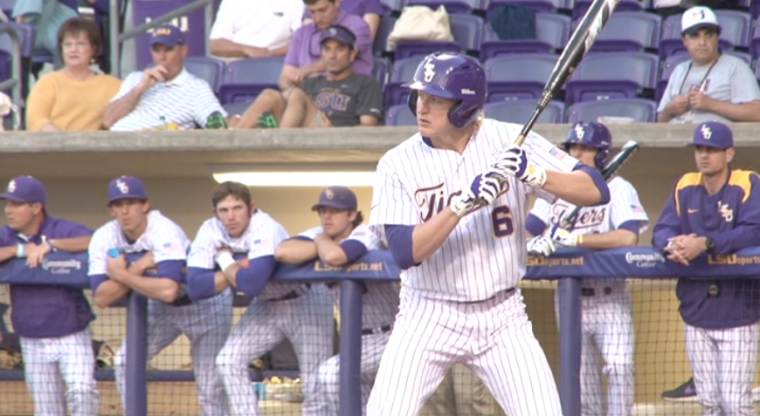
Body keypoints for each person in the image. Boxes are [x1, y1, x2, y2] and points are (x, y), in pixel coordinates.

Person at [365, 51, 610, 416]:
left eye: (436, 99)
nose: (422, 106)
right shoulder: (397, 162)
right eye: (420, 96)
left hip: (502, 315)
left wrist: (535, 174)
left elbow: (595, 190)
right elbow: (404, 251)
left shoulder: (509, 139)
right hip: (428, 313)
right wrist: (460, 206)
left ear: (464, 106)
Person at [525, 122, 650, 416]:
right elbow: (527, 234)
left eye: (586, 148)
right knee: (581, 381)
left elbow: (628, 236)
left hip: (609, 296)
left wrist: (580, 239)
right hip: (570, 300)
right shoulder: (555, 188)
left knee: (620, 367)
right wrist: (536, 242)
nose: (577, 153)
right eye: (573, 147)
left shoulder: (618, 188)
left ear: (602, 155)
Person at [185, 181, 334, 416]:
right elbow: (195, 288)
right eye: (224, 210)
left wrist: (224, 260)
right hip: (266, 305)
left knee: (314, 387)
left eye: (237, 208)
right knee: (227, 360)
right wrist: (239, 269)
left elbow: (252, 284)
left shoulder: (265, 226)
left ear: (252, 208)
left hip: (305, 300)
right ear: (216, 213)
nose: (231, 216)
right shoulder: (210, 228)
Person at [87, 176, 231, 416]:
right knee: (124, 362)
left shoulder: (164, 229)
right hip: (164, 310)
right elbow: (102, 298)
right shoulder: (104, 237)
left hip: (206, 305)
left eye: (131, 203)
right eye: (118, 204)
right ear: (110, 209)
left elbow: (168, 290)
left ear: (145, 205)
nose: (125, 211)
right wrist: (136, 268)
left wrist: (121, 274)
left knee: (209, 387)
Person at [652, 121, 760, 415]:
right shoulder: (685, 185)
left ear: (729, 153)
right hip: (696, 309)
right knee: (710, 403)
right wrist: (672, 244)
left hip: (739, 310)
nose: (704, 155)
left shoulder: (747, 182)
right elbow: (661, 229)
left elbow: (754, 230)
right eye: (700, 148)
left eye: (711, 149)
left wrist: (707, 243)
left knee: (735, 402)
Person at [274, 186, 399, 415]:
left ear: (352, 215)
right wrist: (321, 242)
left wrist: (320, 241)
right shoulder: (321, 234)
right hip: (356, 341)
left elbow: (334, 256)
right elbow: (282, 251)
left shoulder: (365, 233)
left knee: (331, 374)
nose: (327, 217)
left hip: (391, 338)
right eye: (323, 211)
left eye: (335, 211)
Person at [0, 175, 99, 416]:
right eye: (7, 204)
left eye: (16, 204)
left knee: (82, 391)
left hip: (71, 335)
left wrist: (53, 245)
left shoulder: (60, 228)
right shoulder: (6, 236)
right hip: (31, 339)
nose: (8, 210)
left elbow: (95, 240)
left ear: (36, 207)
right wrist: (20, 250)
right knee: (47, 411)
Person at [236, 25, 383, 129]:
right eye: (327, 49)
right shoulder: (311, 83)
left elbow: (368, 126)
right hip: (302, 130)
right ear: (321, 54)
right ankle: (235, 139)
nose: (332, 55)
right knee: (270, 95)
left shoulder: (365, 83)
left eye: (340, 49)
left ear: (352, 54)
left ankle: (280, 143)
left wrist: (335, 132)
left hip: (334, 134)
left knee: (297, 94)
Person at [102, 24, 230, 131]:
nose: (161, 57)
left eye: (168, 50)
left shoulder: (196, 88)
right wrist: (140, 89)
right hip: (114, 150)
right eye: (157, 51)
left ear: (183, 51)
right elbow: (108, 121)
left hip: (156, 154)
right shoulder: (135, 79)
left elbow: (219, 126)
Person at [657, 6, 760, 124]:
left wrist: (711, 104)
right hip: (675, 139)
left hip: (713, 139)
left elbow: (757, 113)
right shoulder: (679, 70)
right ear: (685, 41)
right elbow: (661, 120)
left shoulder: (735, 67)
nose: (702, 42)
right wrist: (669, 110)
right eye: (695, 36)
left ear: (717, 38)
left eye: (709, 35)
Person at [26, 18, 121, 132]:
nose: (73, 50)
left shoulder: (111, 85)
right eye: (68, 44)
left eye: (80, 44)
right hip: (54, 145)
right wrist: (64, 142)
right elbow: (37, 120)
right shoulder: (49, 82)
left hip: (95, 147)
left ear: (93, 49)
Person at [279, 0, 373, 90]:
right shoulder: (301, 33)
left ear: (336, 2)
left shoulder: (357, 26)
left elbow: (339, 60)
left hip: (345, 93)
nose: (318, 18)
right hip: (303, 94)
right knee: (270, 96)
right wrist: (294, 91)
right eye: (312, 12)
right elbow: (285, 77)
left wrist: (308, 70)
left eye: (322, 10)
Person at [209, 0, 304, 60]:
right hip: (235, 60)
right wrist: (247, 50)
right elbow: (215, 45)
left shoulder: (296, 2)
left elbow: (302, 42)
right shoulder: (231, 2)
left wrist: (270, 54)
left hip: (276, 62)